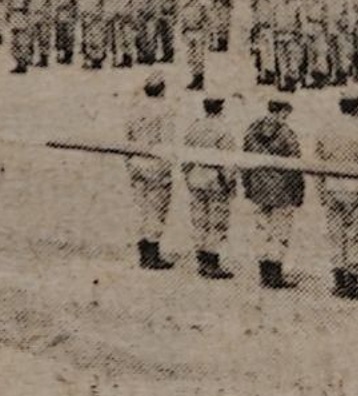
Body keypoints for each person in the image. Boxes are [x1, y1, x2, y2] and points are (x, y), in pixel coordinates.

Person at [314, 94, 358, 299]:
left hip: (333, 187)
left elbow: (318, 163)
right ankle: (352, 280)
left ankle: (338, 278)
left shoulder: (326, 129)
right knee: (356, 234)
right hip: (356, 189)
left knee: (335, 233)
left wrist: (321, 191)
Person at [242, 99, 304, 290]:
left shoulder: (252, 130)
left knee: (262, 230)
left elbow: (245, 160)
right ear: (282, 112)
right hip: (281, 190)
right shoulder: (286, 133)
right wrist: (298, 191)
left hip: (258, 187)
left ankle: (264, 272)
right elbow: (295, 165)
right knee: (280, 231)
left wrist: (247, 185)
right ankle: (275, 274)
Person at [124, 71, 177, 270]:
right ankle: (152, 254)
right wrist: (166, 167)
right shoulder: (165, 110)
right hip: (156, 165)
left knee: (141, 208)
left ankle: (143, 250)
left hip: (137, 162)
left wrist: (129, 163)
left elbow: (127, 138)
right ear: (162, 89)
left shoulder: (135, 108)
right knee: (157, 210)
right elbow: (167, 141)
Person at [182, 97, 236, 280]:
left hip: (196, 175)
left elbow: (185, 155)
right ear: (221, 108)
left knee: (199, 219)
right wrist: (230, 183)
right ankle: (212, 261)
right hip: (215, 177)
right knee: (217, 220)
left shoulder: (194, 127)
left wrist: (187, 175)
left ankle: (201, 259)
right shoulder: (224, 129)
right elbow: (227, 160)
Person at [179, 0, 209, 91]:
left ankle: (199, 81)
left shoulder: (201, 7)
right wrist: (183, 33)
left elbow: (206, 21)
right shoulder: (186, 7)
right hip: (189, 32)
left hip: (198, 32)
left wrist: (206, 35)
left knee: (199, 58)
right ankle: (194, 79)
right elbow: (183, 21)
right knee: (191, 58)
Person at [81, 0, 109, 70]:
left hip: (98, 19)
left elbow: (105, 6)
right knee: (89, 40)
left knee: (98, 40)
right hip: (88, 19)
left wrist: (101, 16)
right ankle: (89, 60)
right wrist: (84, 15)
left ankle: (98, 61)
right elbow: (83, 5)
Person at [7, 0, 33, 74]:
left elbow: (29, 9)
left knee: (23, 43)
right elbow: (8, 8)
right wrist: (8, 18)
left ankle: (23, 64)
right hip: (14, 19)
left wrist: (29, 21)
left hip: (23, 19)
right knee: (14, 43)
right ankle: (18, 64)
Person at [53, 0, 79, 66]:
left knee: (69, 37)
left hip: (69, 16)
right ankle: (61, 56)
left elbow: (76, 6)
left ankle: (69, 57)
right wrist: (55, 16)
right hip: (60, 16)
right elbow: (55, 5)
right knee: (60, 37)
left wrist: (75, 17)